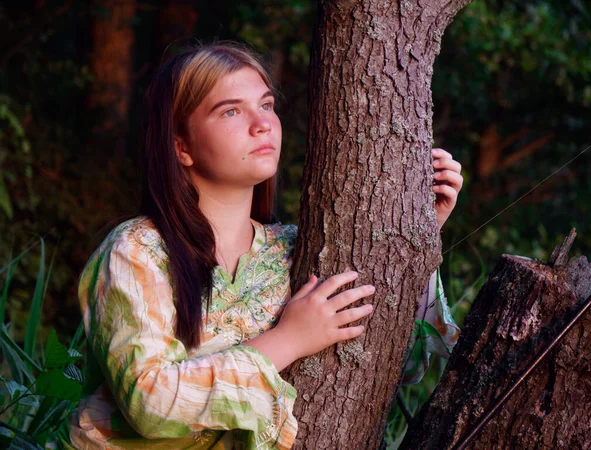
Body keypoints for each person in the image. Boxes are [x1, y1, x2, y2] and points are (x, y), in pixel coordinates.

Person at [67, 43, 463, 449]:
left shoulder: (300, 249)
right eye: (231, 111)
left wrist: (419, 236)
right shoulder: (138, 251)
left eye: (267, 105)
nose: (263, 124)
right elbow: (149, 401)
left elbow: (409, 360)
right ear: (180, 146)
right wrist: (287, 340)